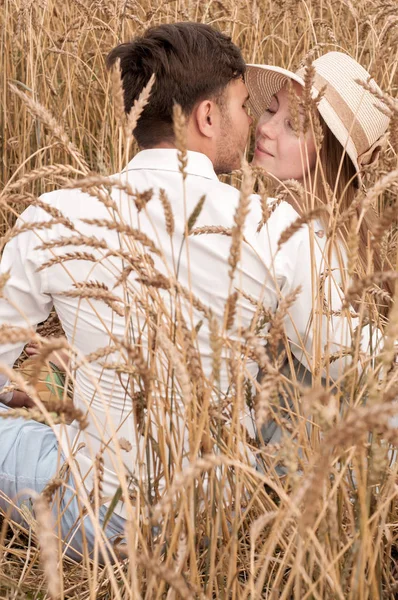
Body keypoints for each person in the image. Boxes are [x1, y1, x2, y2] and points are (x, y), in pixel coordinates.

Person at [0, 25, 378, 561]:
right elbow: (352, 361)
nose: (254, 126)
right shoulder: (277, 230)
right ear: (206, 117)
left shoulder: (54, 215)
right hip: (219, 513)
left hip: (95, 520)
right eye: (248, 107)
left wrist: (55, 386)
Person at [244, 52, 390, 447]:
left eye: (292, 125)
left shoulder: (304, 240)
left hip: (304, 459)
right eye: (271, 111)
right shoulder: (342, 230)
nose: (267, 129)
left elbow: (353, 357)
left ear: (327, 151)